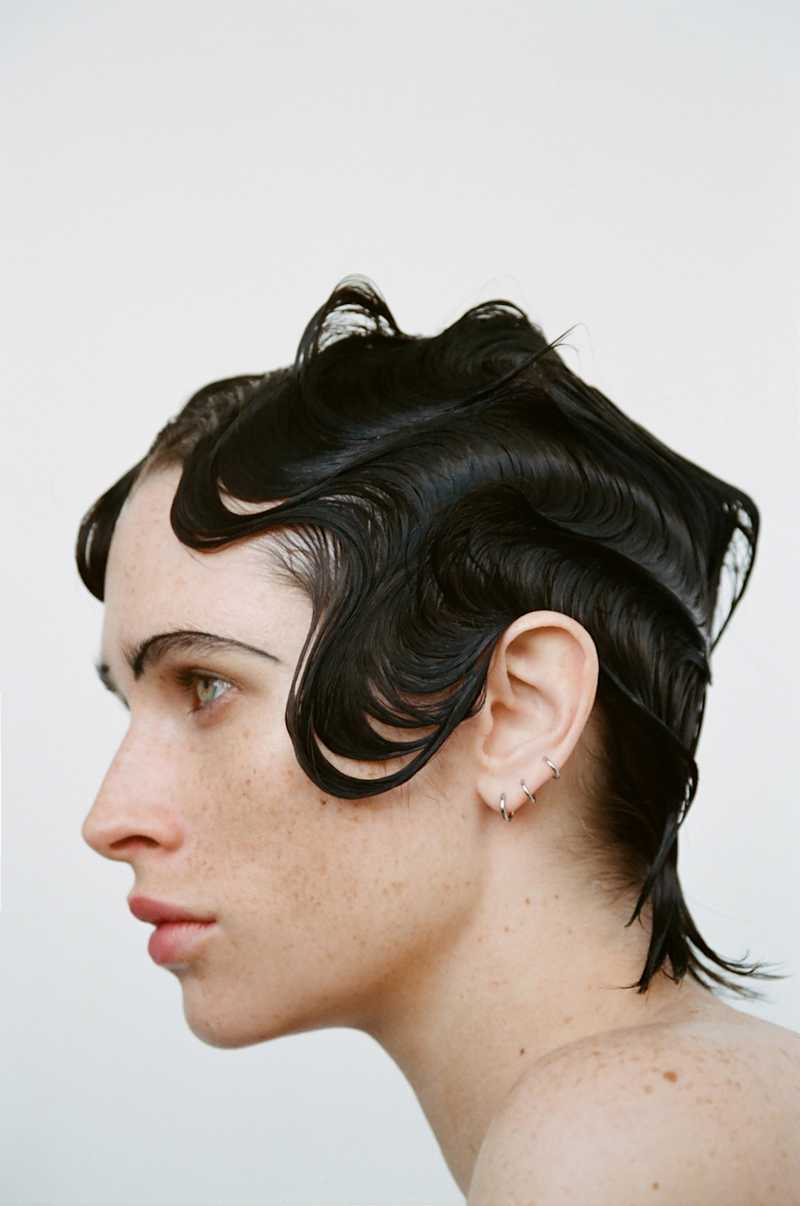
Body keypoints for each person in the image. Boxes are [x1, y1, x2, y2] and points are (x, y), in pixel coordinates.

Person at [76, 275, 800, 1203]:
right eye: (129, 702)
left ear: (520, 712)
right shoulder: (690, 1115)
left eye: (206, 686)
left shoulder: (619, 1141)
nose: (109, 820)